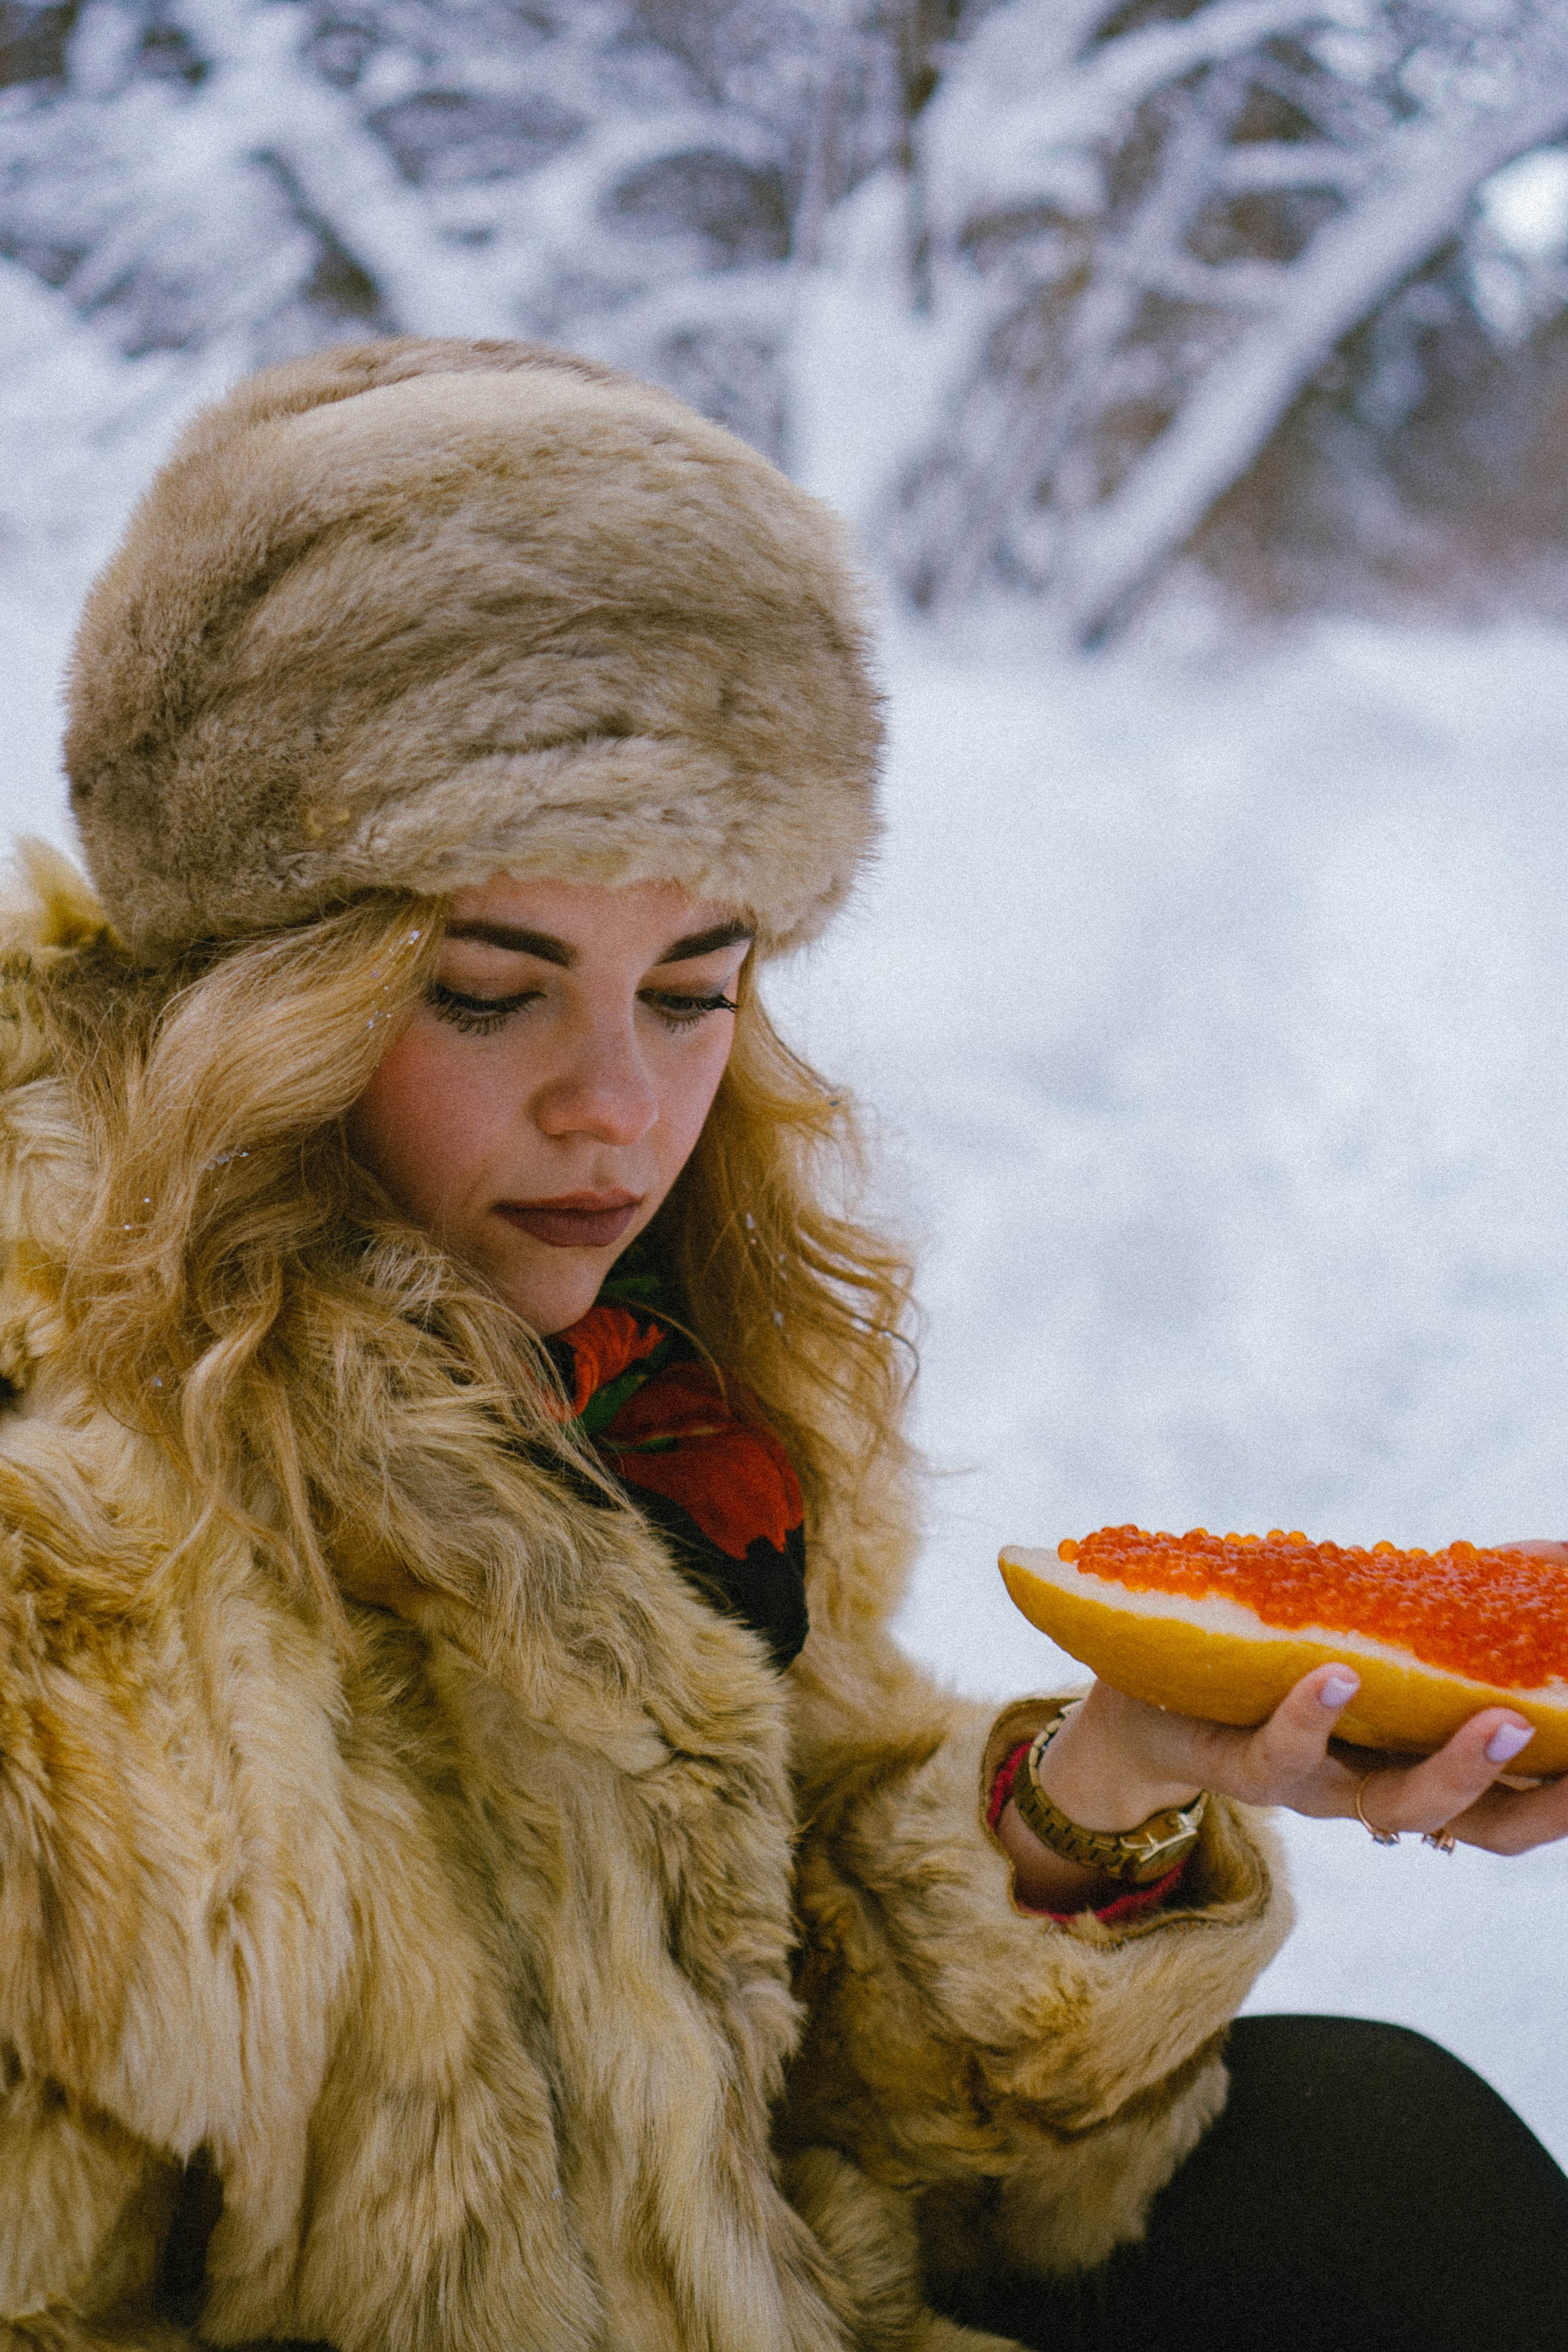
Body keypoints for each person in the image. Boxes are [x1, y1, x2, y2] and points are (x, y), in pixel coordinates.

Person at [3, 335, 1565, 2352]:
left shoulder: (648, 1395)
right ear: (259, 996)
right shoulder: (66, 1534)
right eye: (490, 992)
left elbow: (784, 2085)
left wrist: (1100, 1798)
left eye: (693, 985)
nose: (621, 1109)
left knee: (1384, 2143)